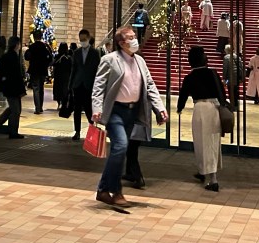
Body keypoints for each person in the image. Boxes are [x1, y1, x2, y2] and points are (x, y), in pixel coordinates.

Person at [91, 27, 167, 208]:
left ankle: (103, 190)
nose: (135, 40)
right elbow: (98, 86)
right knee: (121, 146)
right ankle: (116, 191)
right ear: (121, 43)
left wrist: (160, 108)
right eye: (131, 37)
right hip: (115, 111)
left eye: (135, 37)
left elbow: (150, 85)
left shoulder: (140, 60)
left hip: (132, 112)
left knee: (120, 150)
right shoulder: (110, 60)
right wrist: (97, 108)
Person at [177, 46, 227, 192]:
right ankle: (205, 172)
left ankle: (213, 179)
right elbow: (222, 93)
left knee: (202, 143)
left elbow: (183, 95)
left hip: (200, 109)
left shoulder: (190, 77)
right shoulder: (213, 73)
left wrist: (179, 108)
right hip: (214, 108)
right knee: (212, 142)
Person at [0, 36, 26, 139]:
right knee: (16, 110)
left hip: (11, 87)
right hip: (12, 88)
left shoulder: (10, 55)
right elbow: (14, 75)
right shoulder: (11, 56)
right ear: (16, 45)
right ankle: (12, 131)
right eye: (19, 44)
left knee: (13, 108)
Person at [70, 28, 101, 140]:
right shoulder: (76, 53)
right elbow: (73, 69)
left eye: (84, 39)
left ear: (88, 38)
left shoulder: (95, 53)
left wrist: (97, 85)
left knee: (89, 109)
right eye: (81, 39)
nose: (82, 41)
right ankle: (77, 132)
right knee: (77, 109)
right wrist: (70, 85)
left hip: (89, 84)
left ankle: (92, 129)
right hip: (78, 84)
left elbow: (98, 70)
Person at [25, 33, 53, 114]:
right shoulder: (44, 46)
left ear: (34, 37)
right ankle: (40, 107)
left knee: (36, 88)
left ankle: (37, 107)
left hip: (34, 70)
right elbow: (50, 58)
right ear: (41, 37)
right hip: (42, 70)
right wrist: (46, 65)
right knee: (41, 88)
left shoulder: (32, 47)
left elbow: (27, 57)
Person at [221, 44, 244, 109]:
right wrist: (241, 77)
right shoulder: (237, 57)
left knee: (230, 91)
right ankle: (236, 104)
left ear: (226, 50)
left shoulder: (226, 57)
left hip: (230, 76)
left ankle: (232, 104)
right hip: (237, 77)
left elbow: (225, 68)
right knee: (236, 91)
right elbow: (241, 67)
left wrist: (224, 78)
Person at [52, 42, 72, 109]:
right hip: (66, 76)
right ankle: (64, 103)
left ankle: (59, 103)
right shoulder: (69, 57)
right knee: (65, 89)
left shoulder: (57, 57)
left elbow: (54, 64)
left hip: (58, 75)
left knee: (58, 89)